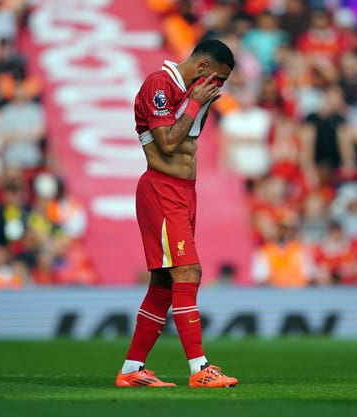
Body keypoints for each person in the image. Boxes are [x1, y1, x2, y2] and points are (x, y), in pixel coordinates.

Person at [116, 40, 238, 388]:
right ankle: (199, 368)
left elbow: (186, 144)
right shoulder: (161, 84)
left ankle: (131, 370)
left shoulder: (190, 92)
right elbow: (168, 143)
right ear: (203, 68)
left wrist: (198, 102)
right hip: (162, 189)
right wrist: (196, 102)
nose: (220, 86)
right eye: (219, 78)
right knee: (189, 270)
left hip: (184, 192)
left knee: (164, 284)